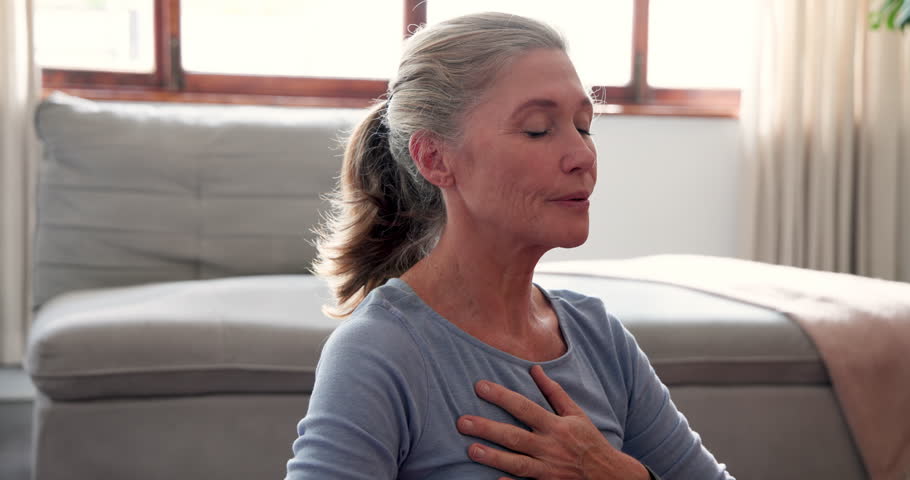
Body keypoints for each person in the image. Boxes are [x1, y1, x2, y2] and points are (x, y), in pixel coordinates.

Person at [285, 12, 734, 480]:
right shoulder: (382, 350)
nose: (582, 156)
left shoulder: (600, 338)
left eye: (584, 127)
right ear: (435, 158)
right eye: (538, 129)